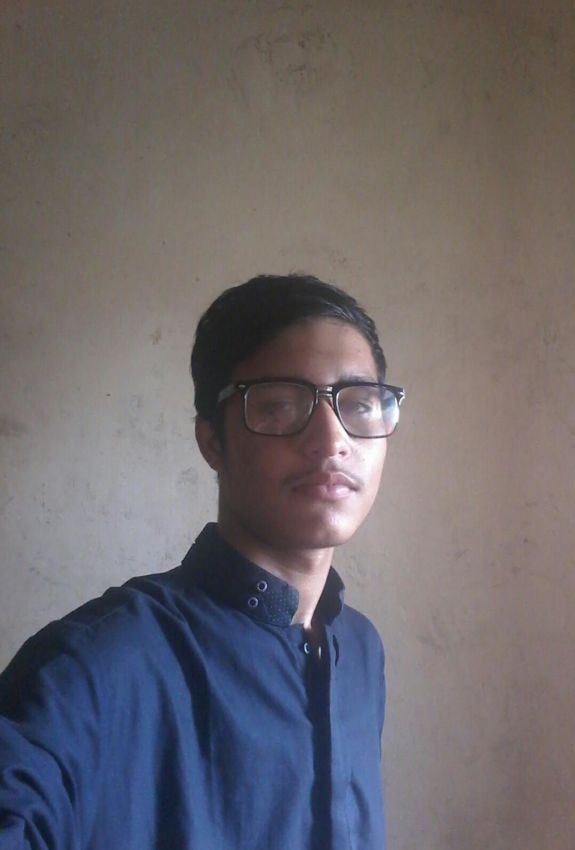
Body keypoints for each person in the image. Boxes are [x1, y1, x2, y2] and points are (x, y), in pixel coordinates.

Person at [0, 274, 405, 850]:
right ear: (212, 441)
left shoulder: (359, 652)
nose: (331, 439)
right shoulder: (97, 664)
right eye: (280, 404)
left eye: (359, 403)